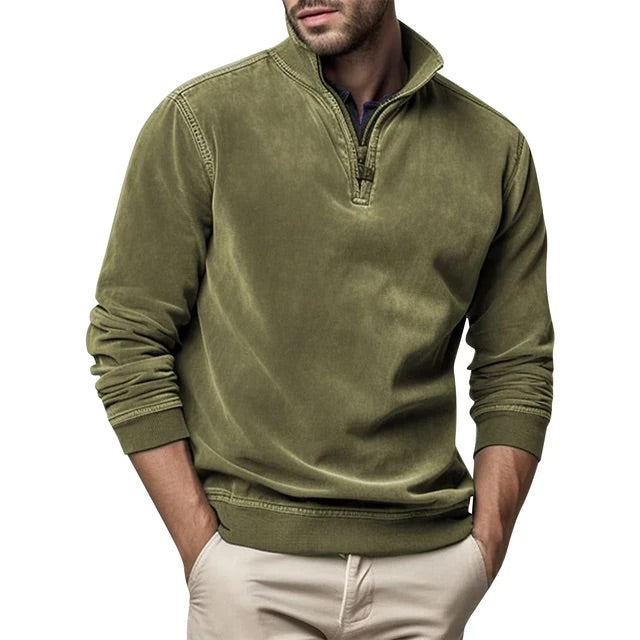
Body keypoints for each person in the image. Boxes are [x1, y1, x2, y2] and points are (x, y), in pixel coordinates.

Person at [86, 1, 554, 637]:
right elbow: (127, 337)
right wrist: (203, 550)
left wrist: (483, 550)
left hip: (426, 567)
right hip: (251, 564)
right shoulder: (202, 121)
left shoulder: (493, 148)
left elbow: (517, 363)